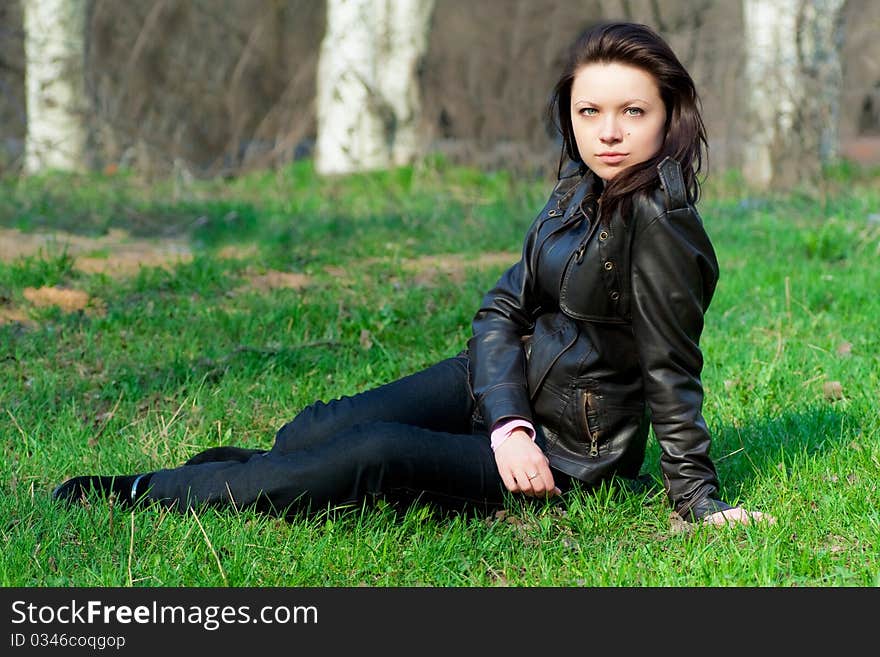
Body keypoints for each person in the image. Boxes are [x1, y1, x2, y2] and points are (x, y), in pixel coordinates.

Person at [54, 21, 773, 527]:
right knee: (317, 428)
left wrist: (699, 499)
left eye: (631, 112)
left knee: (371, 453)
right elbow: (500, 311)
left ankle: (149, 492)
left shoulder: (664, 226)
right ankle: (250, 476)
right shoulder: (575, 191)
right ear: (570, 114)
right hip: (503, 391)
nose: (608, 130)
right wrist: (507, 417)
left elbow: (671, 371)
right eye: (590, 110)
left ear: (667, 115)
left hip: (564, 454)